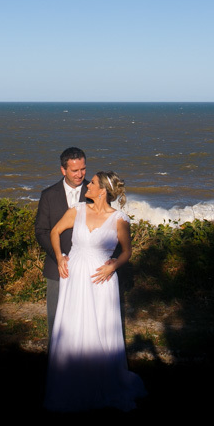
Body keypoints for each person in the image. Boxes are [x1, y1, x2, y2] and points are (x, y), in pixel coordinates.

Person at [44, 171, 145, 412]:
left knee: (99, 329)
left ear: (102, 191)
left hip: (101, 280)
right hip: (74, 277)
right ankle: (70, 381)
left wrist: (114, 264)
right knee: (74, 326)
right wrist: (60, 258)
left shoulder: (119, 219)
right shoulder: (77, 210)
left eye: (93, 183)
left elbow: (126, 251)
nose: (87, 184)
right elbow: (54, 232)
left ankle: (100, 383)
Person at [34, 147, 88, 333]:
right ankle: (54, 360)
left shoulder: (96, 193)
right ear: (63, 170)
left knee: (85, 322)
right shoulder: (48, 195)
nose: (80, 174)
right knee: (56, 322)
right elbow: (41, 231)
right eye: (74, 170)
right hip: (56, 267)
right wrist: (59, 257)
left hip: (88, 269)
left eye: (83, 169)